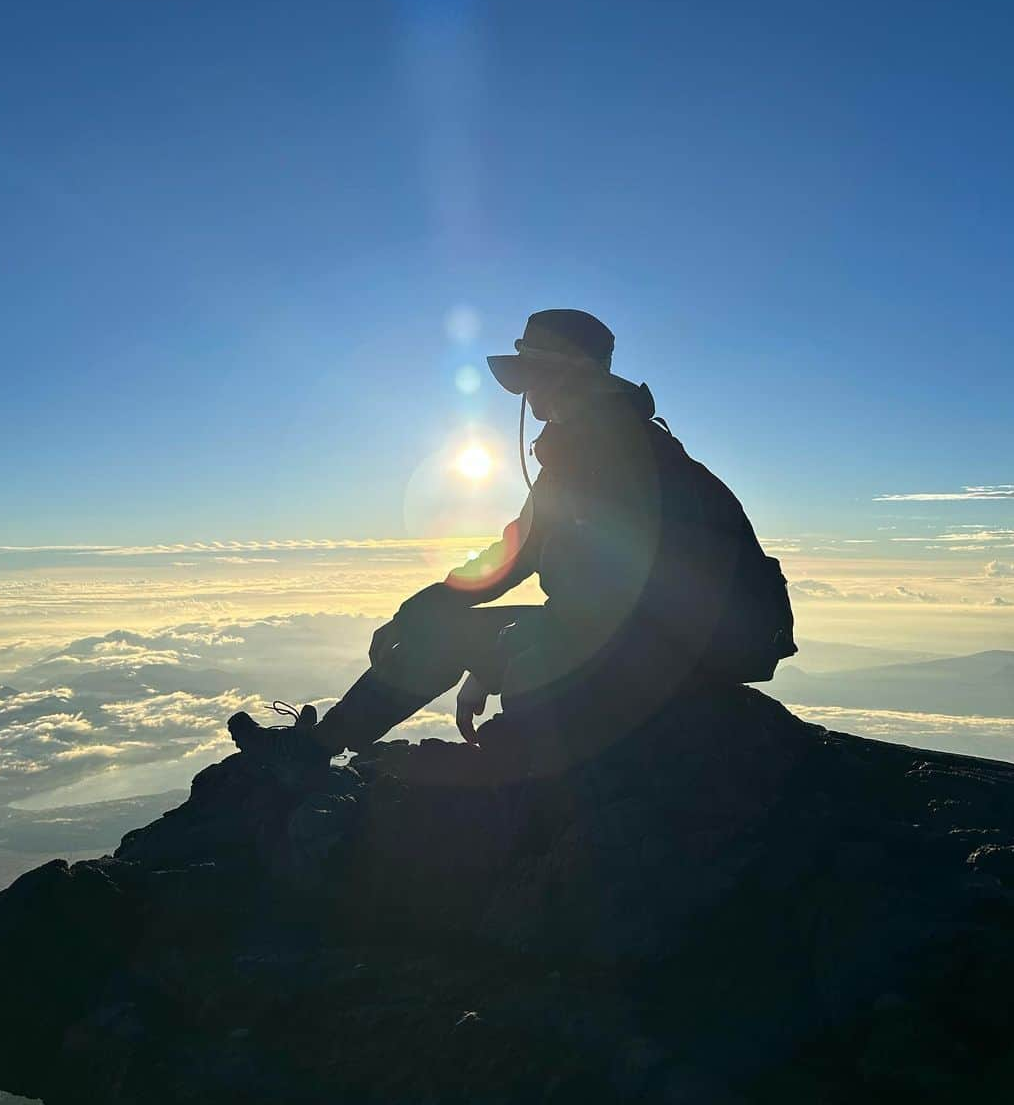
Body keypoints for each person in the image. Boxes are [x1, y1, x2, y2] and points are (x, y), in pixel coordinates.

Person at [228, 309, 795, 776]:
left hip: (672, 642)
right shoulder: (604, 444)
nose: (528, 393)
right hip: (689, 637)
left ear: (571, 378)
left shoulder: (606, 452)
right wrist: (432, 610)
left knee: (453, 637)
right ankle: (316, 748)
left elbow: (608, 591)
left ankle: (311, 755)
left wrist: (506, 657)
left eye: (536, 375)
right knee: (449, 630)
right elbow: (525, 551)